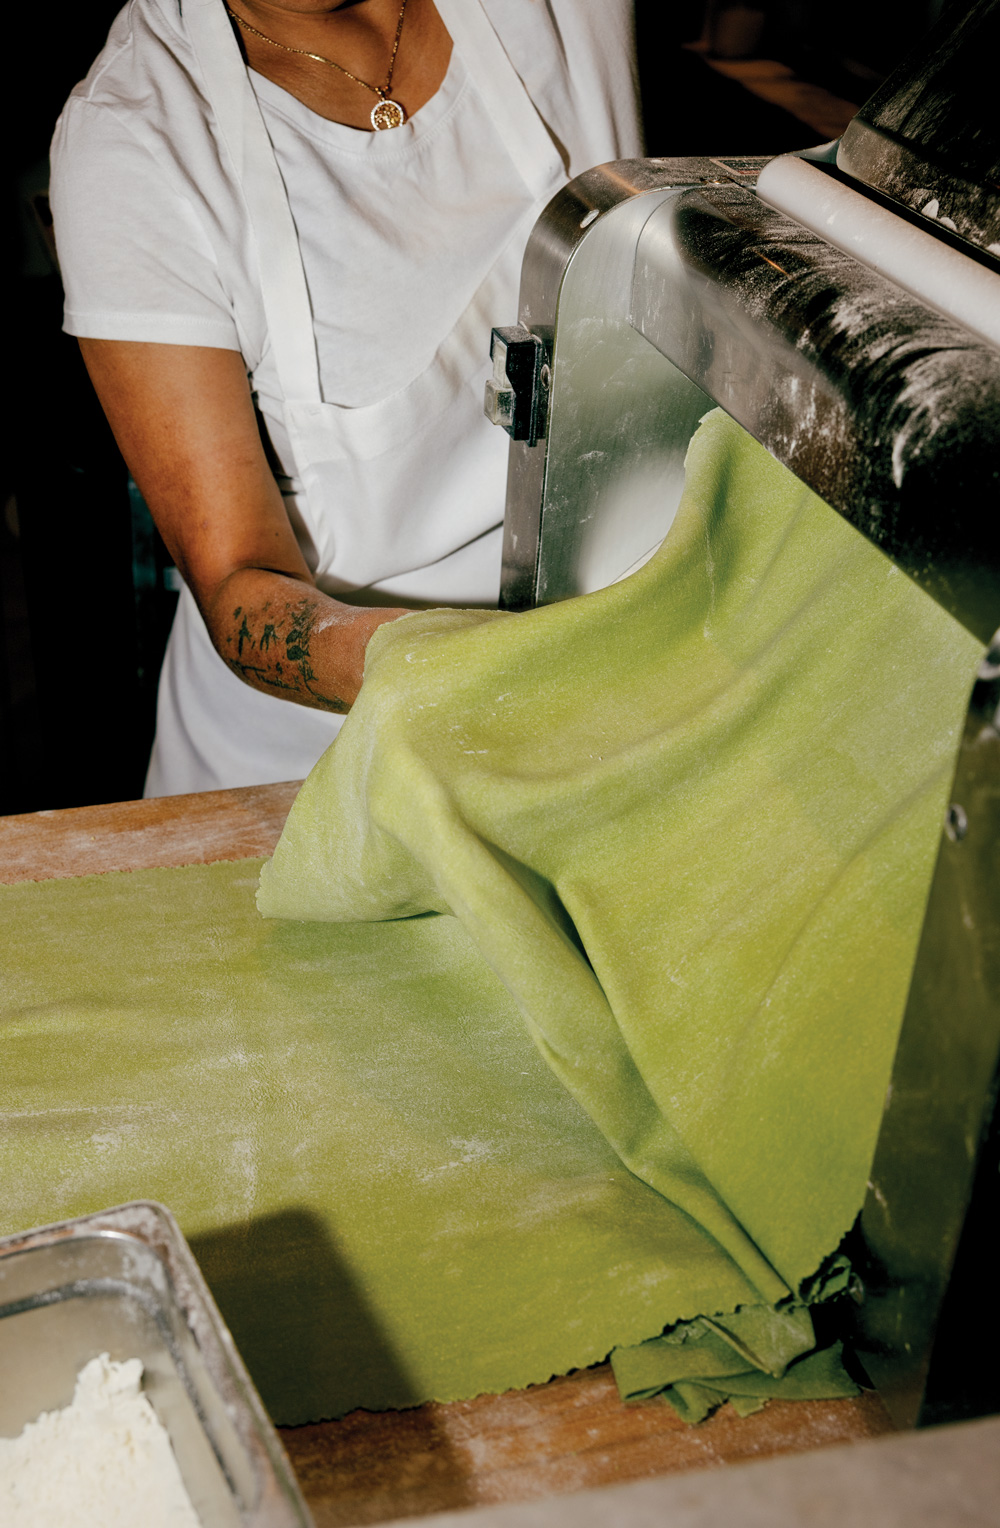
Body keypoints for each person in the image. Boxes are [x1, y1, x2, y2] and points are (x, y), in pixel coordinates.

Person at [51, 0, 641, 796]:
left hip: (628, 685)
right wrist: (482, 671)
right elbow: (239, 585)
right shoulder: (132, 138)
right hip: (320, 765)